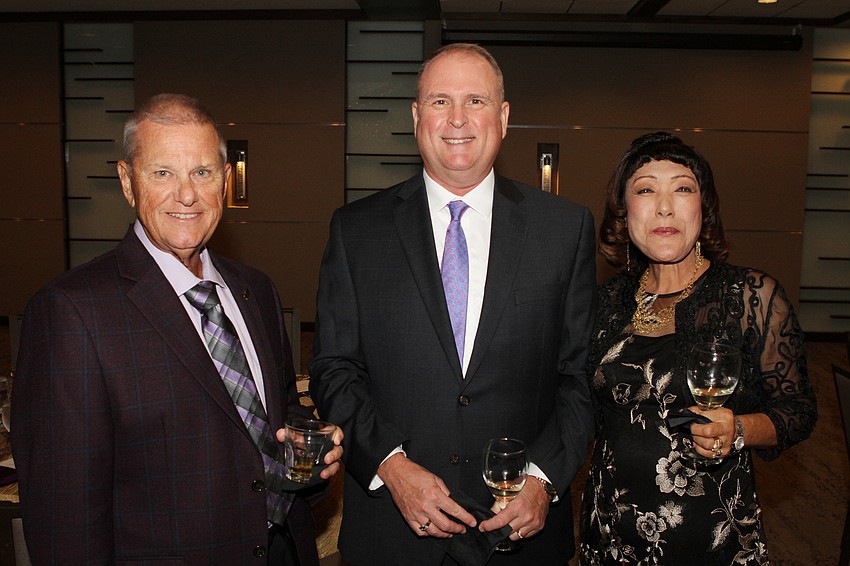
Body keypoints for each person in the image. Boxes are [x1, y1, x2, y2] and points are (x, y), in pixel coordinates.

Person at [11, 93, 343, 565]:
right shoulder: (70, 313)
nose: (186, 195)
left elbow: (277, 416)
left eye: (202, 173)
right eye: (162, 173)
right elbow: (65, 518)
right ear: (128, 182)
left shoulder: (255, 290)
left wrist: (309, 456)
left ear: (225, 180)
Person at [309, 43, 597, 565]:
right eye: (440, 101)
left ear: (503, 118)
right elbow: (334, 368)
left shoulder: (564, 229)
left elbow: (577, 377)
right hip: (393, 533)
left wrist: (543, 480)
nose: (457, 119)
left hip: (520, 532)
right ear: (416, 117)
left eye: (475, 101)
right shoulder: (357, 230)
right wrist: (392, 467)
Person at [580, 132, 818, 565]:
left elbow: (798, 410)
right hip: (610, 533)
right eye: (645, 190)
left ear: (703, 208)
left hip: (709, 536)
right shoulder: (605, 302)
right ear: (624, 212)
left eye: (683, 189)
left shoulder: (749, 295)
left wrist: (740, 428)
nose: (664, 207)